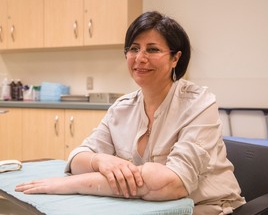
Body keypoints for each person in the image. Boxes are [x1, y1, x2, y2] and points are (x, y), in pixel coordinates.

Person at [15, 11, 245, 214]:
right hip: (145, 207)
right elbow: (77, 159)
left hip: (204, 208)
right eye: (134, 49)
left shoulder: (199, 104)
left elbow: (171, 184)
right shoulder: (122, 107)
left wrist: (68, 185)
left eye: (152, 49)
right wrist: (101, 160)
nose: (140, 58)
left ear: (176, 58)